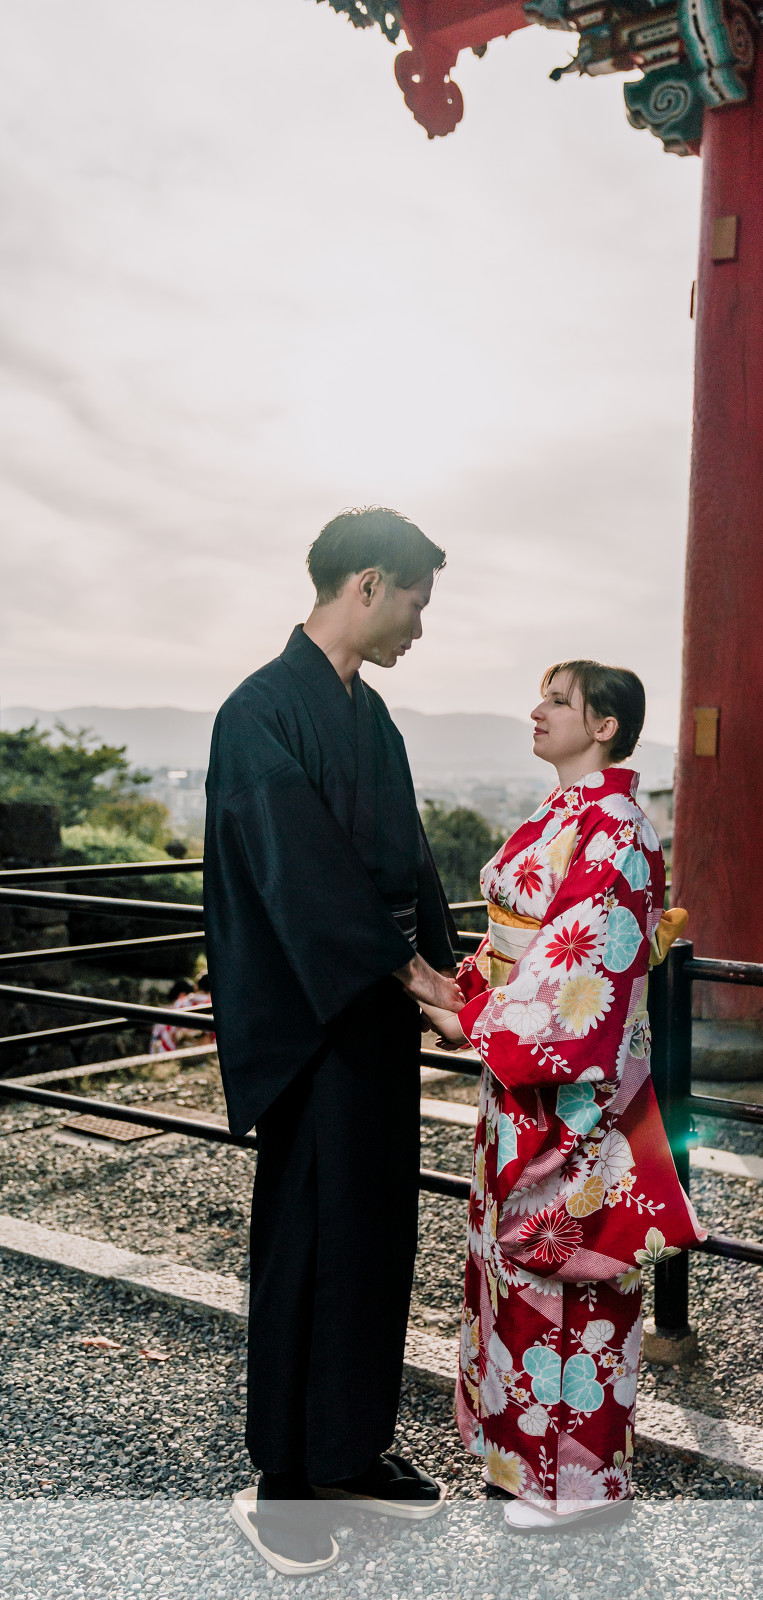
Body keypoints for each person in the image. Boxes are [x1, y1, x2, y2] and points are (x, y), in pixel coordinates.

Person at [205, 507, 463, 1577]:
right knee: (310, 1243)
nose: (419, 625)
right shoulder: (258, 711)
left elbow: (410, 860)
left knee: (374, 1238)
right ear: (367, 584)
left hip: (375, 1015)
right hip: (309, 1018)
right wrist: (413, 975)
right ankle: (285, 1483)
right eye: (415, 601)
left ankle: (348, 1452)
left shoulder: (372, 715)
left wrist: (452, 971)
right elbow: (294, 870)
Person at [424, 660, 705, 1532]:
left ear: (605, 725)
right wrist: (463, 990)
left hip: (575, 1097)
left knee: (568, 1280)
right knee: (516, 1271)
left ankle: (574, 1488)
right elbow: (521, 943)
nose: (536, 711)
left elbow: (577, 979)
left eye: (556, 701)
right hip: (525, 1083)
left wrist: (471, 1015)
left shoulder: (618, 828)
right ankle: (521, 1464)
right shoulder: (564, 813)